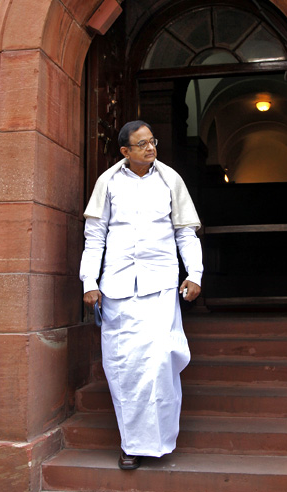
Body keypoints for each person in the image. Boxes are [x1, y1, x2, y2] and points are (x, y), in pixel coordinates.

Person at [79, 120, 203, 470]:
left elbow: (185, 233)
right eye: (142, 144)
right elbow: (95, 237)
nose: (151, 148)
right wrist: (89, 280)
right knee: (125, 367)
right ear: (125, 151)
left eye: (153, 141)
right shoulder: (108, 183)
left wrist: (195, 273)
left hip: (161, 286)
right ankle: (132, 444)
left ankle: (160, 440)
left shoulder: (169, 180)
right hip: (117, 288)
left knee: (162, 359)